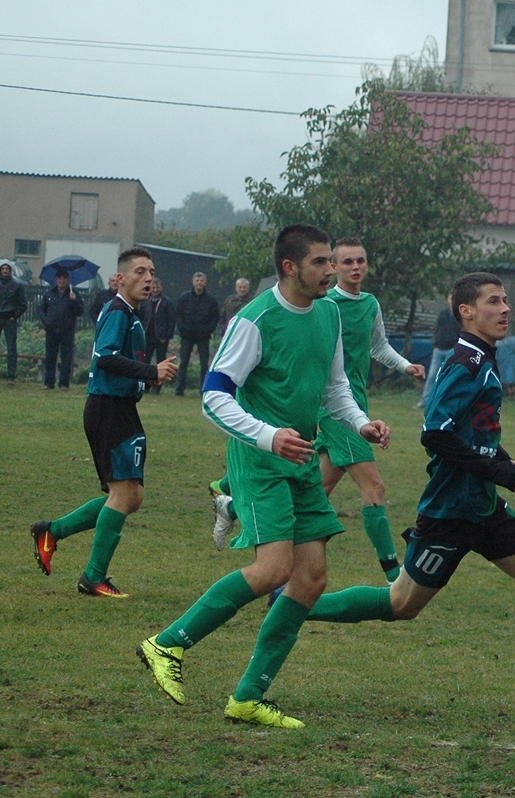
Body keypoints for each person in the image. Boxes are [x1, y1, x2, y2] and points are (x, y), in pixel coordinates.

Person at [138, 224, 390, 729]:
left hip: (300, 458)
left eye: (331, 261)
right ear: (290, 267)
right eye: (320, 262)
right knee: (274, 569)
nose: (330, 271)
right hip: (260, 463)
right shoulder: (256, 319)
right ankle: (166, 644)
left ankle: (249, 696)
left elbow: (334, 385)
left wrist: (360, 422)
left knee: (312, 578)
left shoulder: (329, 316)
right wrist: (265, 436)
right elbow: (214, 395)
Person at [295, 271, 515, 713]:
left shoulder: (484, 358)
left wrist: (511, 467)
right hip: (450, 510)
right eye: (494, 302)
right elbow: (436, 435)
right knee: (402, 603)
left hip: (483, 505)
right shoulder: (464, 363)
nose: (505, 309)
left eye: (505, 301)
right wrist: (499, 471)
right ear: (467, 312)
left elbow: (474, 433)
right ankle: (295, 605)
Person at [211, 239, 426, 573]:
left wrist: (404, 367)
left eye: (361, 261)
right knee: (374, 488)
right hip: (319, 418)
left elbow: (376, 349)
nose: (353, 267)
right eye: (341, 262)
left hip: (348, 407)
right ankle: (393, 574)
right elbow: (215, 394)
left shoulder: (361, 306)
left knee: (314, 512)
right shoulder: (300, 307)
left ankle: (233, 506)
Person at [29, 248, 178, 597]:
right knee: (124, 494)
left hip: (119, 407)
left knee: (130, 496)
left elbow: (121, 362)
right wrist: (150, 371)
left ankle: (51, 531)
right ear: (120, 278)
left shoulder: (131, 313)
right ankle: (93, 577)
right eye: (139, 272)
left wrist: (147, 379)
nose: (147, 278)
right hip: (108, 409)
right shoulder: (118, 311)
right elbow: (105, 357)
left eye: (151, 272)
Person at [174, 271, 220, 396]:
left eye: (201, 281)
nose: (199, 283)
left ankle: (203, 390)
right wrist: (182, 329)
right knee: (183, 363)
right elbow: (178, 315)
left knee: (204, 364)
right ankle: (179, 389)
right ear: (193, 282)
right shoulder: (184, 298)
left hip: (203, 337)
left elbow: (215, 317)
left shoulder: (211, 300)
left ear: (205, 283)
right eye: (197, 281)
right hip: (186, 336)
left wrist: (208, 330)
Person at [37, 271, 84, 390]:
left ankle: (64, 384)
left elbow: (80, 311)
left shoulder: (73, 294)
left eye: (64, 278)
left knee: (66, 358)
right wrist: (46, 321)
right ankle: (49, 383)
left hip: (67, 331)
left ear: (68, 280)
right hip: (52, 330)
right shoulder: (49, 294)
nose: (62, 280)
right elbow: (41, 309)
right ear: (56, 279)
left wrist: (74, 301)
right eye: (59, 278)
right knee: (50, 357)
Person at [418, 292, 457, 409]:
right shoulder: (443, 314)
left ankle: (448, 403)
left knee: (451, 377)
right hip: (439, 349)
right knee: (432, 376)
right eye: (450, 298)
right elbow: (437, 329)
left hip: (452, 350)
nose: (452, 300)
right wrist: (435, 344)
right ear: (447, 300)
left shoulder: (460, 316)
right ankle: (425, 401)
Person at [137, 278, 176, 394]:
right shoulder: (144, 301)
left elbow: (172, 319)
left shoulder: (167, 302)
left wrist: (168, 335)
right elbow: (140, 316)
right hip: (147, 335)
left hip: (161, 336)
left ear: (161, 288)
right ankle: (145, 385)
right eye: (153, 288)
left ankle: (157, 386)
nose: (155, 290)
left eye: (157, 288)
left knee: (161, 360)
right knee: (145, 360)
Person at [0, 262, 26, 384]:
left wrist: (14, 316)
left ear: (10, 271)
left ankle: (11, 376)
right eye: (3, 269)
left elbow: (23, 305)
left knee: (11, 348)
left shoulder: (17, 286)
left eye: (7, 269)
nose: (5, 271)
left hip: (9, 318)